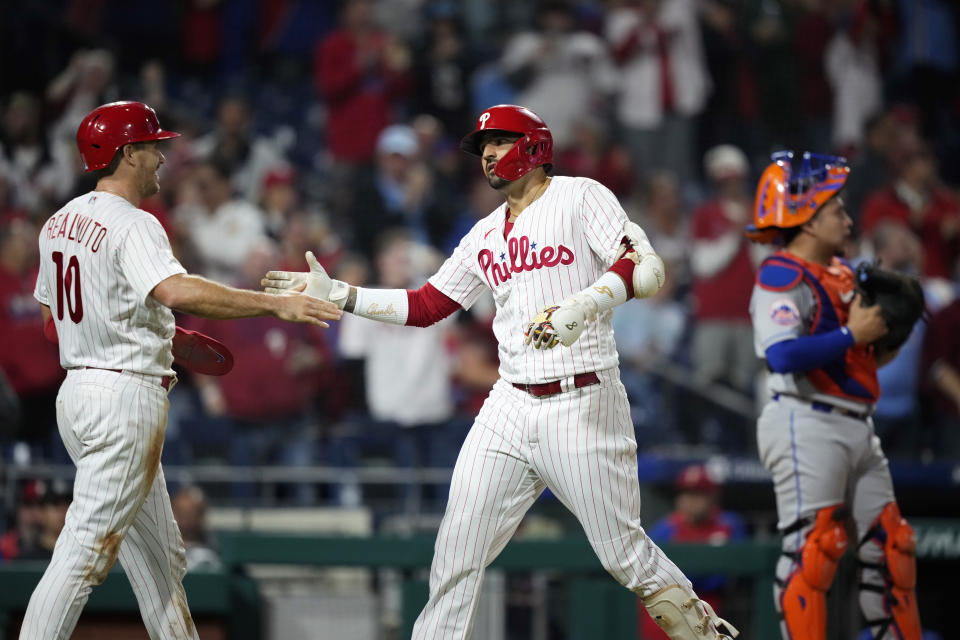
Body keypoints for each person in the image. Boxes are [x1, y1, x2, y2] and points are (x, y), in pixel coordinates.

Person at [264, 104, 738, 640]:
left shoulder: (581, 196)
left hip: (580, 397)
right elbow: (425, 306)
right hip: (508, 403)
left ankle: (707, 635)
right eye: (482, 147)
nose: (487, 153)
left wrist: (578, 308)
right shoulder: (485, 232)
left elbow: (647, 269)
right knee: (455, 553)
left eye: (500, 141)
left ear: (535, 146)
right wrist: (342, 295)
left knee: (624, 555)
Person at [23, 101, 341, 640]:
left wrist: (154, 331)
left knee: (161, 564)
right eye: (152, 146)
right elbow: (174, 290)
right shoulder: (135, 223)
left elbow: (53, 322)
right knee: (82, 555)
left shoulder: (57, 222)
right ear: (126, 153)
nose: (162, 158)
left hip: (78, 394)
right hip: (123, 399)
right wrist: (274, 305)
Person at [745, 151, 922, 639]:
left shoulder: (845, 274)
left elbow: (861, 360)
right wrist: (852, 335)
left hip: (857, 423)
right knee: (814, 551)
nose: (848, 219)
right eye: (836, 211)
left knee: (893, 549)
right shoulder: (781, 274)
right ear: (804, 220)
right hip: (806, 419)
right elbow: (780, 356)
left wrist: (886, 337)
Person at [642, 464, 748, 640]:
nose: (691, 500)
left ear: (712, 497)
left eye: (698, 494)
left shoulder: (729, 524)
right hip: (675, 615)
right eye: (686, 494)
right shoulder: (665, 529)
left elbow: (734, 573)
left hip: (719, 613)